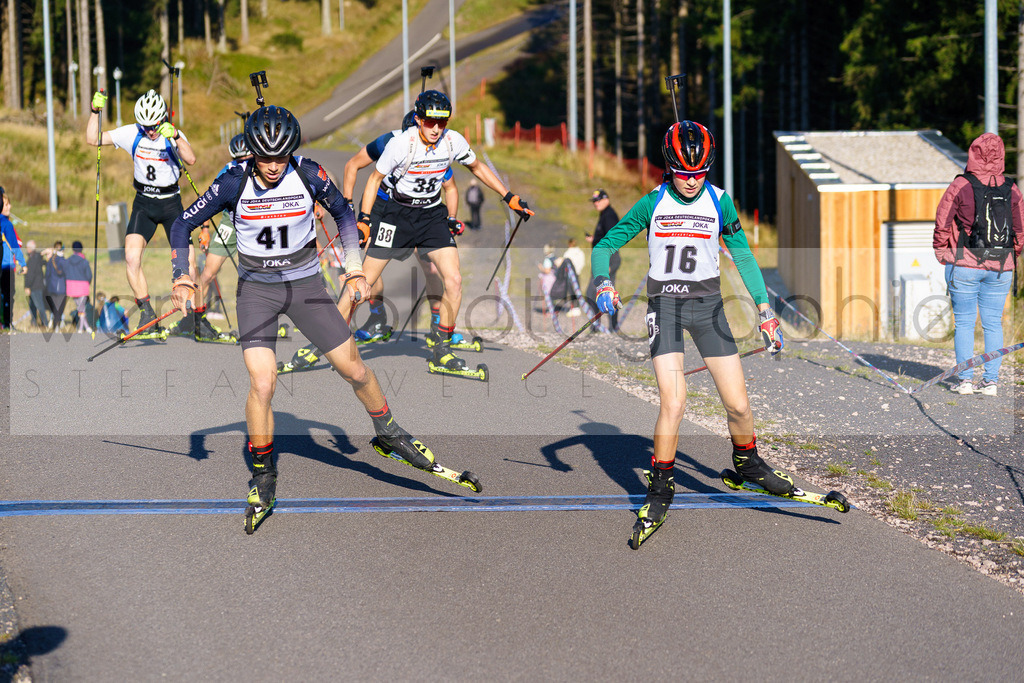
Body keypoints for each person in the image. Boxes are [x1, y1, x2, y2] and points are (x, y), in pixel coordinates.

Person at [167, 104, 453, 529]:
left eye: (280, 157)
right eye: (263, 157)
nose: (271, 166)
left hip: (305, 288)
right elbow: (181, 224)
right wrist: (182, 276)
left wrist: (354, 267)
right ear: (251, 153)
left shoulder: (310, 173)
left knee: (354, 369)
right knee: (263, 381)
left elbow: (343, 214)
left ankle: (389, 433)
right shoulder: (233, 180)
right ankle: (263, 473)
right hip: (257, 293)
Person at [590, 120, 789, 540]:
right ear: (669, 167)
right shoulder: (652, 202)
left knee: (737, 404)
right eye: (683, 173)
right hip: (664, 308)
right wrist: (602, 281)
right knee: (675, 401)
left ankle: (747, 464)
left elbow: (744, 257)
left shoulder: (720, 202)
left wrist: (766, 310)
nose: (691, 181)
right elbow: (606, 244)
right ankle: (661, 486)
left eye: (699, 173)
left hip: (708, 308)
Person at [347, 89, 534, 376]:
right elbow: (372, 178)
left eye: (442, 122)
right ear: (419, 119)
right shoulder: (399, 144)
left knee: (454, 279)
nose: (436, 128)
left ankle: (441, 349)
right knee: (364, 279)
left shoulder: (452, 141)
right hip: (396, 214)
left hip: (431, 215)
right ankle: (333, 338)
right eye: (430, 122)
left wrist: (508, 196)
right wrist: (363, 218)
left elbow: (476, 168)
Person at [335, 110, 459, 348]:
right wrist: (348, 206)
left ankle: (437, 323)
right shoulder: (389, 143)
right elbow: (352, 165)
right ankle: (377, 317)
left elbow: (449, 186)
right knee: (371, 264)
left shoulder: (433, 150)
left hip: (415, 210)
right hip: (381, 205)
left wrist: (452, 218)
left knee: (431, 265)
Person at [86, 89, 200, 336]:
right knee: (131, 258)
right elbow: (93, 139)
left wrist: (177, 136)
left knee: (189, 260)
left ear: (163, 119)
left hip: (171, 204)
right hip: (143, 204)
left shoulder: (170, 135)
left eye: (155, 125)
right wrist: (95, 111)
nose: (150, 130)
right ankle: (147, 312)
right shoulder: (131, 133)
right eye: (145, 125)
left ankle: (192, 316)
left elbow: (190, 159)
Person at [934, 132, 1024, 397]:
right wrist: (1012, 255)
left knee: (964, 323)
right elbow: (1019, 229)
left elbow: (942, 221)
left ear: (973, 152)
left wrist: (941, 252)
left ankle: (965, 381)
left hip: (965, 262)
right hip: (1000, 267)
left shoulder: (961, 184)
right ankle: (991, 382)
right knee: (993, 323)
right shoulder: (1012, 187)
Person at [167, 133, 249, 342]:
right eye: (239, 160)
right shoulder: (228, 170)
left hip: (254, 222)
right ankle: (199, 319)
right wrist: (205, 230)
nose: (243, 164)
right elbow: (211, 202)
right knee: (208, 273)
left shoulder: (264, 166)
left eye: (246, 159)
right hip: (230, 222)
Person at [586, 189, 621, 329]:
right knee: (594, 292)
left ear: (606, 199)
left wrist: (607, 264)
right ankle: (602, 326)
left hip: (608, 258)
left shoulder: (609, 216)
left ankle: (611, 326)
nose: (596, 203)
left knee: (601, 292)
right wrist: (594, 240)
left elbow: (612, 240)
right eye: (594, 201)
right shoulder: (604, 215)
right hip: (604, 258)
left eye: (598, 200)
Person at [1, 189, 28, 330]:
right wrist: (23, 264)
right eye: (5, 204)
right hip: (5, 266)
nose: (9, 207)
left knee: (6, 296)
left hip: (7, 265)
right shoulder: (6, 224)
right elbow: (15, 246)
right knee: (7, 295)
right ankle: (6, 323)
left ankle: (6, 323)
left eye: (9, 204)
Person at [63, 241, 94, 334]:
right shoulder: (84, 261)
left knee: (80, 308)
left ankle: (85, 327)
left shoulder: (68, 261)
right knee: (82, 308)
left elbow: (65, 273)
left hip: (71, 286)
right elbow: (89, 275)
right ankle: (82, 328)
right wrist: (88, 282)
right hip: (82, 286)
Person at [43, 241, 67, 330]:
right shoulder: (64, 261)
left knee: (54, 307)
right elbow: (65, 274)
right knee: (59, 308)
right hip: (61, 288)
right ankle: (56, 325)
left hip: (51, 288)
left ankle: (54, 325)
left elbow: (47, 275)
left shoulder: (50, 261)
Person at [23, 240, 47, 327]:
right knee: (33, 305)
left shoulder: (33, 258)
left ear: (29, 248)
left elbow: (31, 274)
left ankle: (45, 323)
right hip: (38, 285)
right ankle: (34, 322)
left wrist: (27, 286)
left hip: (34, 286)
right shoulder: (37, 257)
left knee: (39, 306)